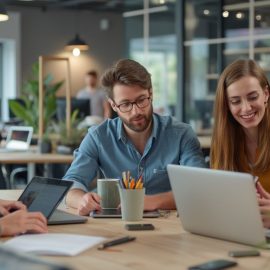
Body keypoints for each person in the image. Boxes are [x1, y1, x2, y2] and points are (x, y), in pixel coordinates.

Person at [63, 58, 206, 216]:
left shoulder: (182, 134)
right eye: (125, 104)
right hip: (115, 228)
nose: (136, 111)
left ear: (150, 94)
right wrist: (82, 199)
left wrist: (152, 201)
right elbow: (70, 185)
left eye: (141, 100)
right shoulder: (98, 137)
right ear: (113, 105)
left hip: (170, 229)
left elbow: (198, 188)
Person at [210, 59, 270, 227]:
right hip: (240, 230)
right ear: (227, 105)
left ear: (266, 94)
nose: (246, 108)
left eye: (253, 97)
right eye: (235, 101)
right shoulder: (224, 144)